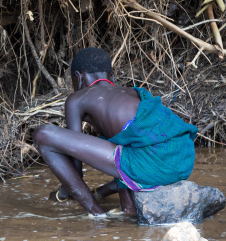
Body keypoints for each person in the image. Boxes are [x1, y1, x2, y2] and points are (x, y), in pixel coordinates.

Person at [33, 47, 198, 216]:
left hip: (153, 163)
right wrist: (100, 192)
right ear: (111, 77)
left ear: (79, 78)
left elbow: (76, 168)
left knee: (42, 134)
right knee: (118, 142)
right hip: (182, 160)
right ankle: (129, 209)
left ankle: (98, 215)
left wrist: (61, 195)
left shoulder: (77, 99)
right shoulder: (131, 93)